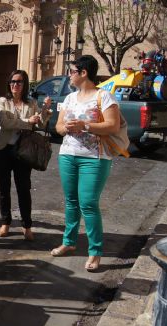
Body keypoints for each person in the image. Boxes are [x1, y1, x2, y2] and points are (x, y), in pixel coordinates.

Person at [53, 55, 121, 272]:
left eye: (72, 71)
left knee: (89, 204)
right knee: (71, 200)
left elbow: (113, 126)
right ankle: (69, 242)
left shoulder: (104, 96)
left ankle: (95, 252)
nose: (69, 75)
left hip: (94, 158)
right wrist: (66, 128)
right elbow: (58, 127)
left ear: (83, 73)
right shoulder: (70, 98)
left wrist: (86, 125)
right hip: (68, 155)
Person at [0, 70, 51, 240]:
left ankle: (27, 226)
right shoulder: (2, 101)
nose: (15, 85)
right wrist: (26, 122)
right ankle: (5, 222)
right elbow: (4, 122)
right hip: (1, 149)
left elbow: (39, 122)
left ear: (24, 85)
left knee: (23, 188)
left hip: (24, 151)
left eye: (19, 82)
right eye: (12, 81)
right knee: (3, 188)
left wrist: (45, 110)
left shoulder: (31, 103)